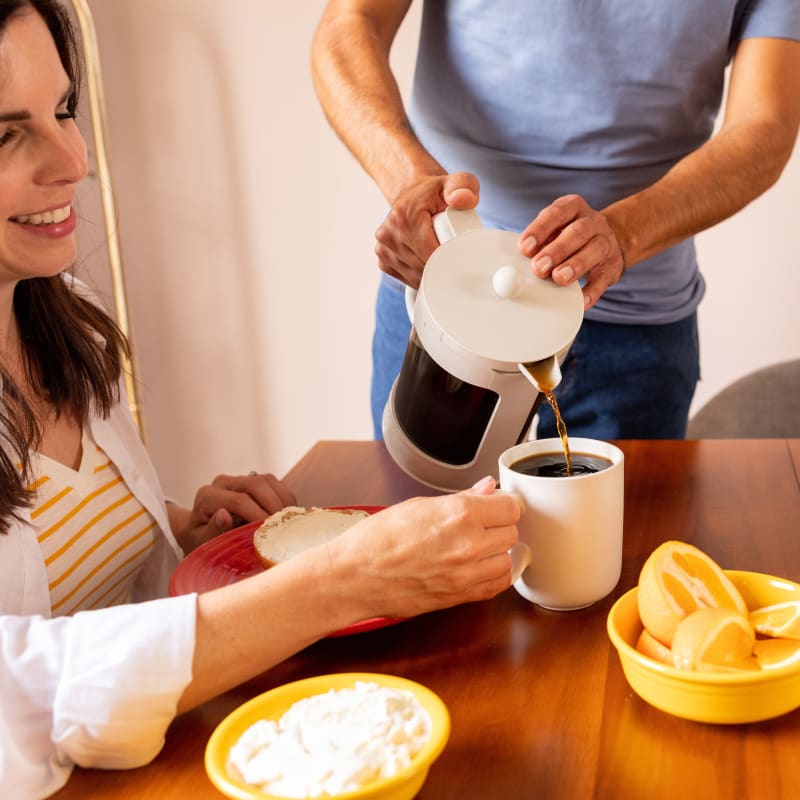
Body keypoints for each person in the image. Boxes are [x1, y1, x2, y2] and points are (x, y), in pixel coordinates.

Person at [0, 2, 522, 796]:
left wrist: (177, 529)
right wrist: (344, 582)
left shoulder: (61, 317)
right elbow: (20, 697)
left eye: (64, 109)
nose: (74, 158)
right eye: (7, 134)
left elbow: (66, 565)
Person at [310, 0, 800, 441]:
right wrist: (409, 180)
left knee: (623, 543)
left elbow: (765, 125)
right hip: (445, 306)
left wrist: (622, 233)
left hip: (634, 334)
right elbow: (351, 20)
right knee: (415, 533)